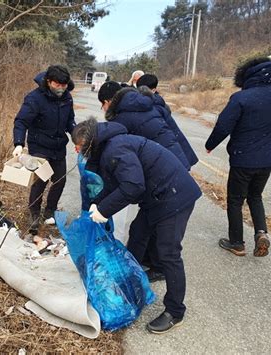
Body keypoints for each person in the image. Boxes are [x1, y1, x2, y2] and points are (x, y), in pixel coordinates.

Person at [72, 118, 201, 334]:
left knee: (169, 252)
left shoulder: (115, 148)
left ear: (89, 142)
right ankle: (130, 278)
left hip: (175, 195)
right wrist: (98, 204)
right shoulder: (107, 149)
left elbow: (133, 186)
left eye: (78, 146)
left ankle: (175, 311)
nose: (76, 150)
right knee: (139, 233)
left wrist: (104, 211)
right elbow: (116, 184)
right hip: (156, 195)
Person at [205, 57, 271, 257]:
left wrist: (210, 145)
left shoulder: (240, 98)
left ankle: (236, 243)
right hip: (267, 159)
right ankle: (261, 233)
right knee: (255, 196)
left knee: (235, 200)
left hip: (243, 159)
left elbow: (224, 126)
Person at [13, 65, 76, 234]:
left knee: (60, 180)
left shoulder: (67, 97)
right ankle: (34, 213)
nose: (61, 89)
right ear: (48, 82)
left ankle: (50, 211)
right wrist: (18, 143)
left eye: (64, 85)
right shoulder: (35, 99)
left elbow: (70, 121)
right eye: (57, 85)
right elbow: (21, 122)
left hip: (58, 147)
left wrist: (77, 136)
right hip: (39, 146)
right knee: (41, 179)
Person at [98, 81, 190, 170]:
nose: (103, 109)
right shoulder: (138, 103)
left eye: (103, 104)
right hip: (176, 158)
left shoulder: (122, 116)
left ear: (108, 101)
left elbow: (116, 146)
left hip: (165, 166)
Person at [136, 74, 199, 168]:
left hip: (173, 154)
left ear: (153, 90)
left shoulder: (155, 107)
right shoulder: (158, 103)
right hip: (177, 152)